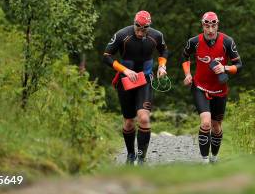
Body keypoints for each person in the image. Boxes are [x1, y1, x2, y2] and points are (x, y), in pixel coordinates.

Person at [103, 10, 168, 165]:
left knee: (144, 119)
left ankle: (141, 157)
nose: (140, 32)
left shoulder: (156, 35)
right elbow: (106, 56)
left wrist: (162, 66)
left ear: (149, 26)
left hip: (145, 79)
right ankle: (131, 155)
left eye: (144, 28)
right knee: (129, 122)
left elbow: (164, 50)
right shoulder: (122, 35)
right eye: (137, 27)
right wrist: (124, 70)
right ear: (134, 23)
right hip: (126, 80)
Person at [182, 11, 243, 164]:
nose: (210, 30)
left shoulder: (227, 42)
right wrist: (188, 74)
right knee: (206, 122)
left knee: (216, 127)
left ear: (217, 25)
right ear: (202, 25)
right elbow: (185, 56)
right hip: (200, 87)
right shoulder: (194, 41)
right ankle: (204, 162)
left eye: (213, 26)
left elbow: (239, 65)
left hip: (220, 90)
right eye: (206, 26)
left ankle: (214, 158)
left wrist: (225, 68)